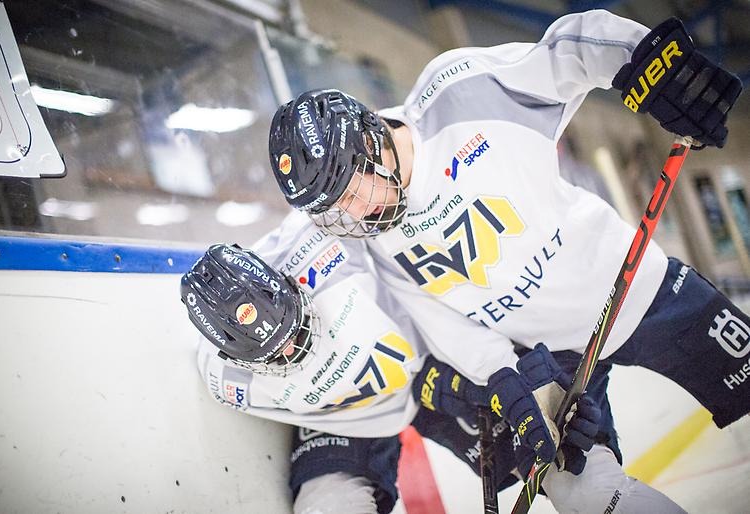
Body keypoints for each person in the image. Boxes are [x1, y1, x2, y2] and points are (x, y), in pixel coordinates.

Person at [267, 8, 749, 453]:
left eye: (351, 190)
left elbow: (567, 53)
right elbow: (445, 324)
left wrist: (651, 63)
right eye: (336, 208)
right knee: (589, 491)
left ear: (370, 139)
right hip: (552, 357)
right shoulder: (373, 235)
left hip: (633, 289)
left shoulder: (457, 93)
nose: (355, 212)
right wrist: (504, 379)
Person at [180, 211, 685, 513]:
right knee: (329, 507)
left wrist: (486, 378)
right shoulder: (227, 380)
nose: (294, 351)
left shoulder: (337, 246)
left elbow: (445, 297)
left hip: (437, 356)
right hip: (350, 412)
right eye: (279, 356)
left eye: (296, 330)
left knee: (584, 485)